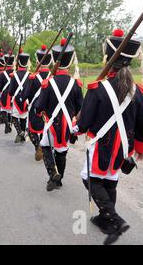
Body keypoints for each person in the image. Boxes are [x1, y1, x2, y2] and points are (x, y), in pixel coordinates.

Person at [75, 29, 143, 245]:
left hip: (101, 146)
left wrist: (76, 128)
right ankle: (104, 219)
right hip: (123, 148)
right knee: (109, 181)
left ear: (108, 58)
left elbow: (84, 123)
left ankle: (114, 219)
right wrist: (140, 150)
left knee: (89, 178)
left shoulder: (97, 88)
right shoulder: (139, 92)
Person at [35, 38, 83, 191]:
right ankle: (59, 179)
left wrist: (38, 111)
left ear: (54, 59)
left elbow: (39, 106)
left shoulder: (48, 83)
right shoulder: (75, 84)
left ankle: (52, 173)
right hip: (67, 124)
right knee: (62, 152)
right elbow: (80, 108)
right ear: (69, 62)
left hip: (51, 123)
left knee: (45, 146)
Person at [23, 45, 52, 161]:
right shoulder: (53, 77)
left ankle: (38, 145)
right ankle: (45, 148)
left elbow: (25, 95)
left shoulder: (33, 77)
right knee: (48, 131)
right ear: (50, 61)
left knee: (31, 131)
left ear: (38, 60)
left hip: (36, 110)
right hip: (50, 111)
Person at [8, 49, 31, 143]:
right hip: (26, 100)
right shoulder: (30, 75)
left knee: (14, 117)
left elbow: (10, 92)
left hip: (16, 100)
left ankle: (19, 132)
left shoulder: (14, 75)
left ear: (18, 63)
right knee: (23, 117)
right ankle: (22, 137)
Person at [0, 51, 15, 134]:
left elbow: (0, 87)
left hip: (5, 94)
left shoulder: (2, 74)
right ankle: (8, 125)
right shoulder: (15, 73)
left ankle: (7, 125)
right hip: (13, 95)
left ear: (5, 62)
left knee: (4, 110)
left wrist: (2, 92)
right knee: (10, 111)